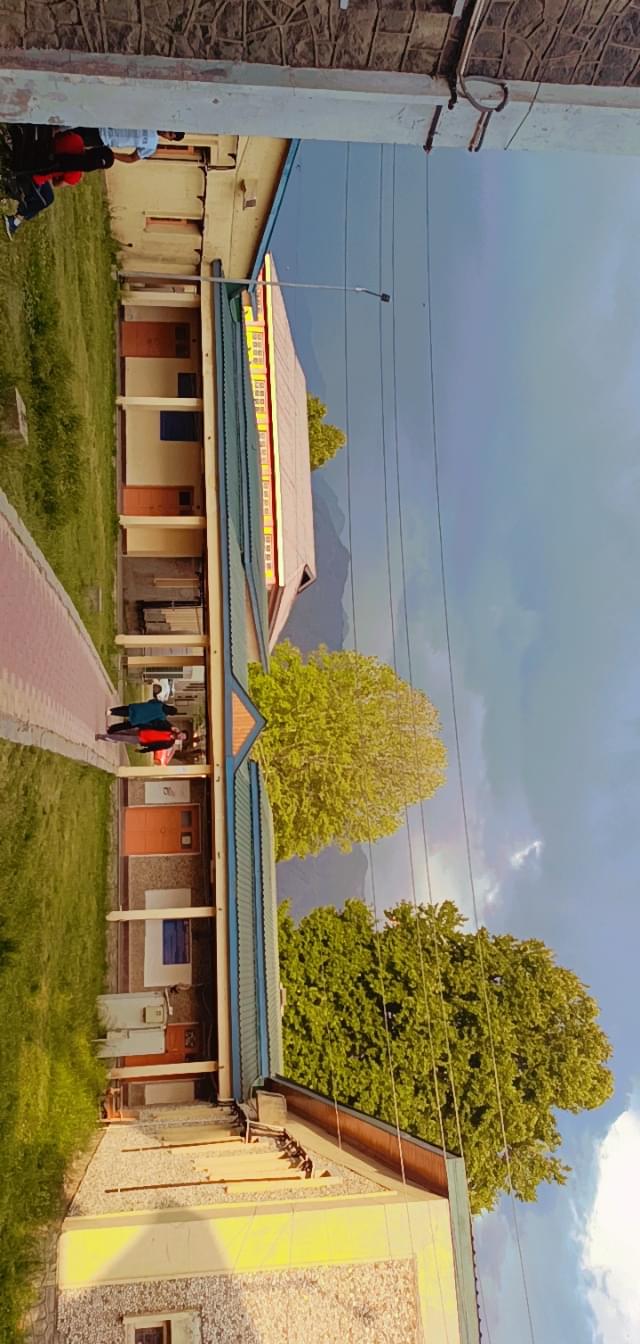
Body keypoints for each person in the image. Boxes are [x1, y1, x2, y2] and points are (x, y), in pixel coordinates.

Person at [74, 128, 185, 163]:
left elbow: (132, 158)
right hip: (101, 125)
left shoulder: (151, 146)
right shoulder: (151, 121)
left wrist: (112, 154)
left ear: (169, 139)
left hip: (103, 139)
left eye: (169, 134)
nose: (166, 132)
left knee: (74, 141)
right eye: (169, 129)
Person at [109, 699, 178, 728]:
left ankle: (112, 710)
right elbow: (154, 721)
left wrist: (148, 705)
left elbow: (151, 701)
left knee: (127, 708)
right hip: (142, 717)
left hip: (142, 707)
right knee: (127, 713)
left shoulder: (161, 703)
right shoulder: (163, 717)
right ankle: (112, 713)